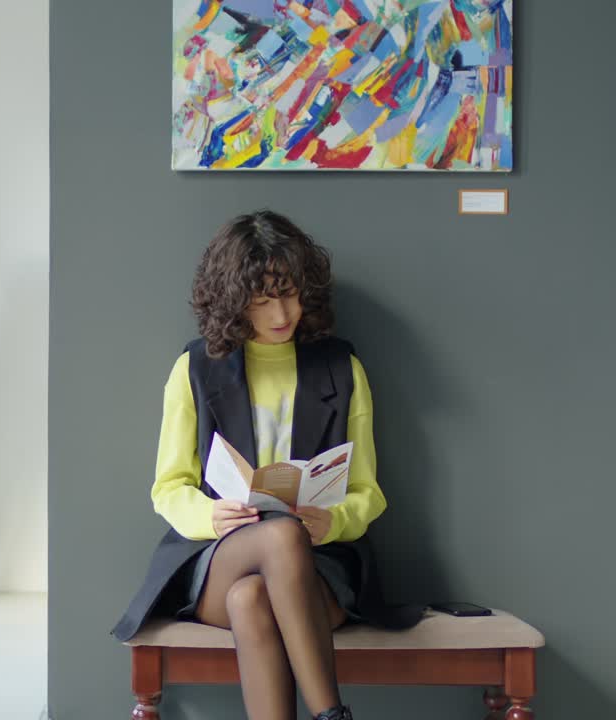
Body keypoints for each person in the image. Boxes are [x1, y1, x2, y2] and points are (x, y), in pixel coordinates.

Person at [111, 211, 422, 720]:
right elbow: (169, 486)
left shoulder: (342, 368)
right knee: (275, 540)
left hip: (320, 568)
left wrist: (332, 522)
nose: (282, 313)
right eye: (262, 299)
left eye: (291, 294)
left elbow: (368, 490)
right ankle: (332, 714)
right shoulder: (195, 368)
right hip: (219, 557)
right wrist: (211, 516)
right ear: (234, 300)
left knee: (252, 597)